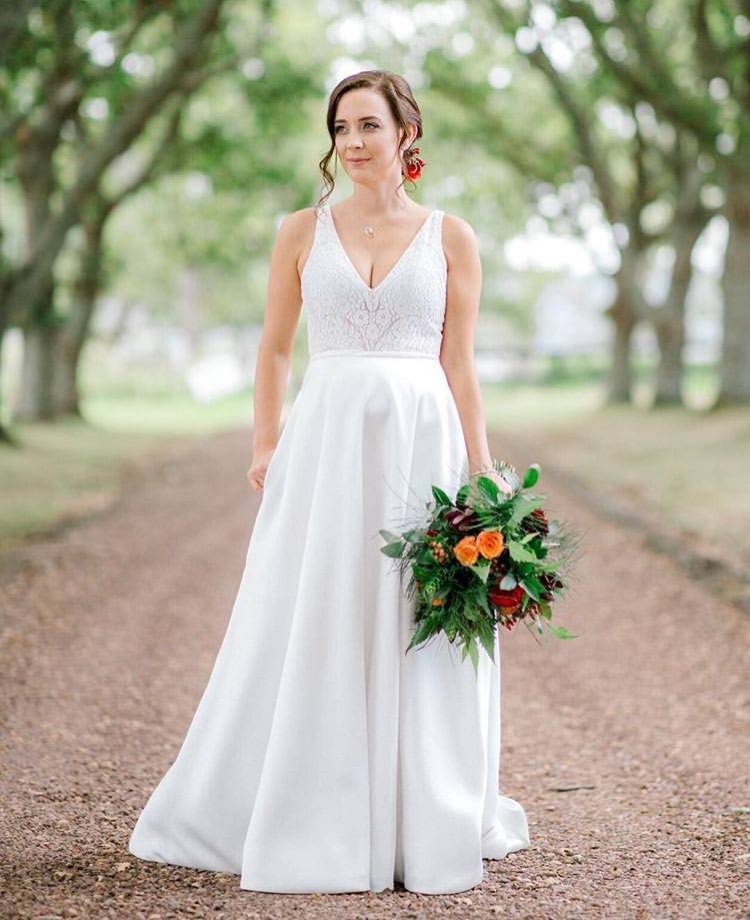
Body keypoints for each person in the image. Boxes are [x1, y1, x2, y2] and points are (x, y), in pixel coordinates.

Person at [128, 68, 530, 895]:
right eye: (341, 128)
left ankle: (422, 814)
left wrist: (482, 468)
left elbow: (459, 364)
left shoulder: (451, 237)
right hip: (326, 444)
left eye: (369, 126)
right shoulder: (300, 231)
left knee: (416, 612)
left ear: (406, 133)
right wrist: (266, 440)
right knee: (319, 607)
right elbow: (275, 348)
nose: (352, 142)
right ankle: (308, 801)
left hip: (424, 443)